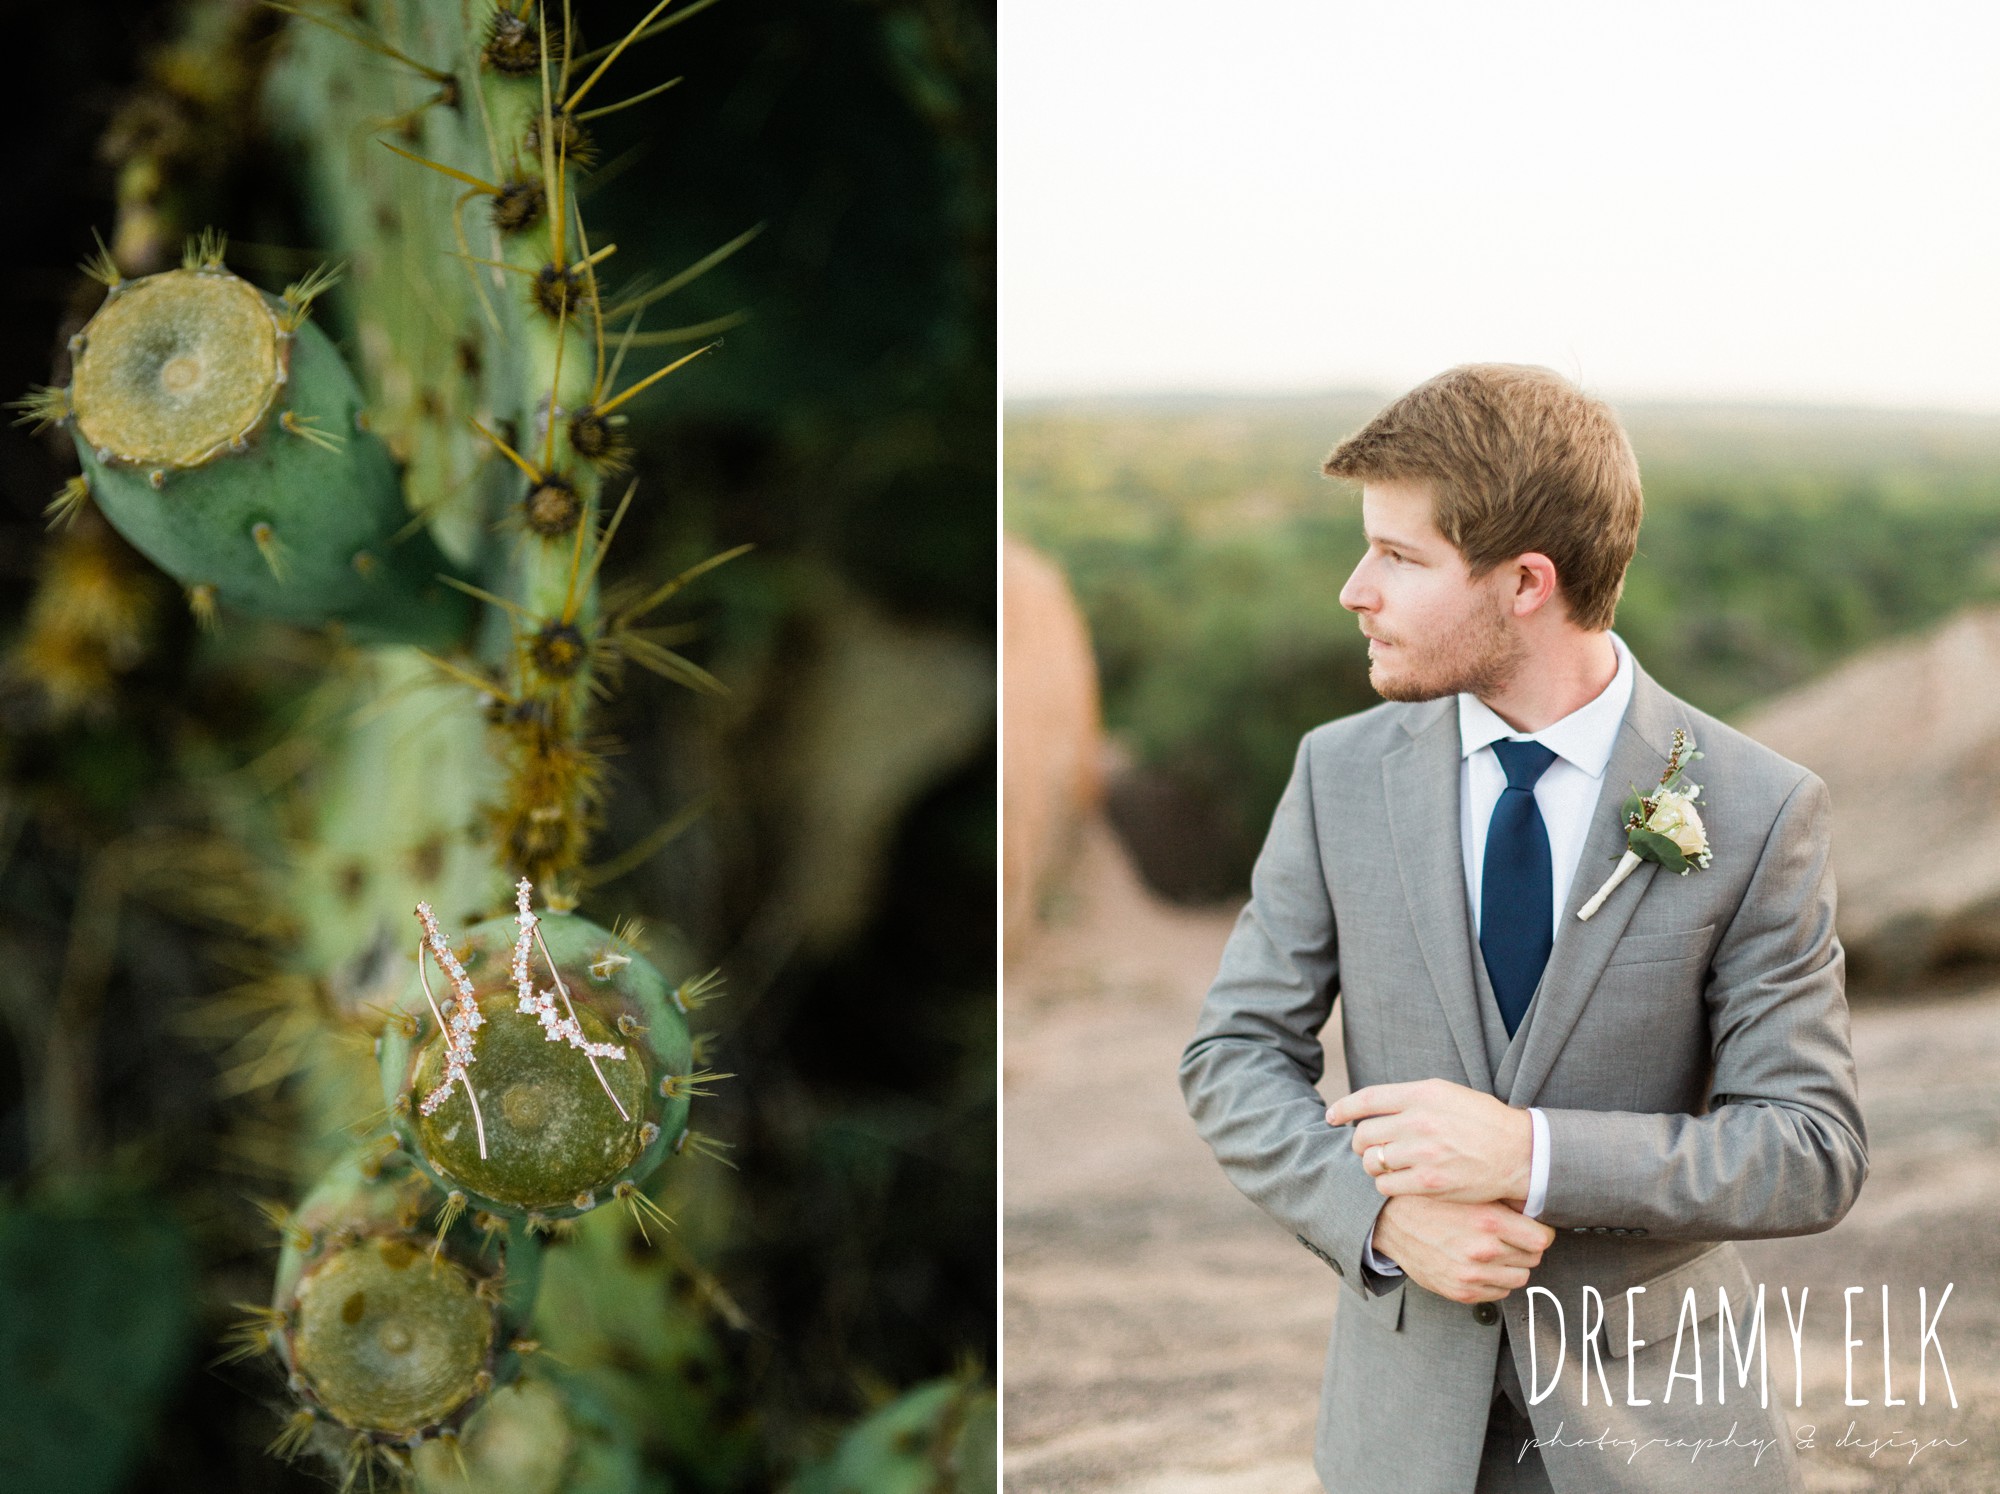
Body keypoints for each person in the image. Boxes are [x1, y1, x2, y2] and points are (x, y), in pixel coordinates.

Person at [1178, 364, 1867, 1494]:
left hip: (1662, 1444)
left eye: (1398, 558)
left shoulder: (1755, 807)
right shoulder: (1333, 775)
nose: (1355, 590)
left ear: (1525, 582)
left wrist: (1529, 1156)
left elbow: (1807, 1150)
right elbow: (1230, 1058)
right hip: (1396, 1441)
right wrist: (1383, 1218)